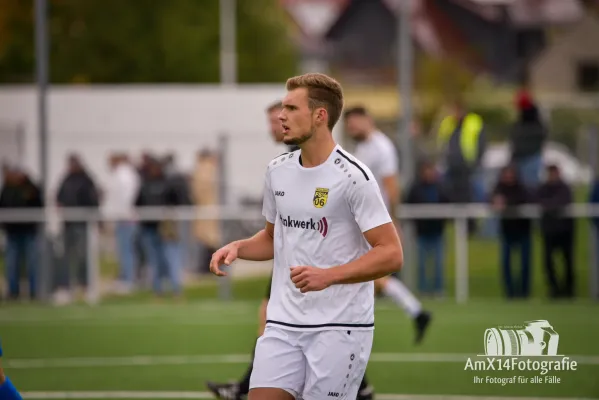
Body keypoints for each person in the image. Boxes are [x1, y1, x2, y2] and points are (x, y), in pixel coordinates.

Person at [209, 73, 403, 400]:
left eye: (291, 108)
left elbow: (391, 254)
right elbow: (272, 239)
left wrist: (328, 276)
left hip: (340, 329)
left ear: (320, 116)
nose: (281, 116)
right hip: (283, 325)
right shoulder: (277, 171)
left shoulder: (354, 177)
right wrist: (238, 247)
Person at [343, 107, 432, 334]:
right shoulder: (362, 147)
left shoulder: (382, 148)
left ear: (367, 120)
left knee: (365, 276)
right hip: (360, 222)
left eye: (354, 122)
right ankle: (417, 312)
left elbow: (391, 188)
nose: (350, 128)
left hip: (374, 223)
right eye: (348, 124)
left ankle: (416, 312)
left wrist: (393, 223)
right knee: (365, 279)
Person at [491, 165, 533, 299]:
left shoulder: (522, 188)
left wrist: (505, 203)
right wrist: (495, 201)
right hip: (507, 231)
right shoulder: (498, 188)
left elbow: (524, 200)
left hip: (523, 230)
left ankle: (524, 294)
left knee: (525, 264)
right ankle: (510, 294)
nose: (508, 177)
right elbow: (491, 199)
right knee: (506, 264)